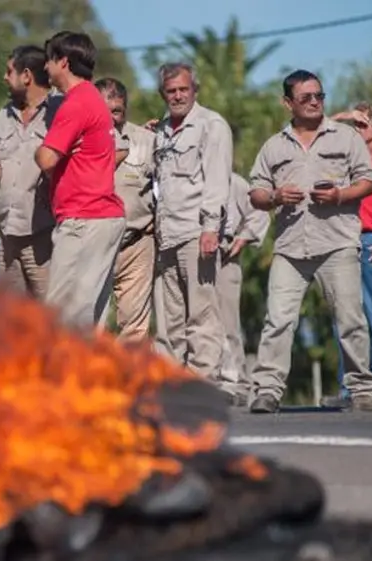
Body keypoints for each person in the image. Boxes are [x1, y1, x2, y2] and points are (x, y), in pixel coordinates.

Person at [247, 69, 372, 413]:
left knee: (350, 318)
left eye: (319, 96)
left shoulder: (346, 137)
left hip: (337, 243)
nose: (314, 102)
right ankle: (267, 391)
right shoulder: (274, 146)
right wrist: (275, 196)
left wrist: (339, 195)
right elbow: (256, 193)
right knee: (278, 321)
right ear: (287, 103)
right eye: (305, 97)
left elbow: (368, 180)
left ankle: (363, 389)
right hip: (291, 248)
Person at [34, 31, 126, 330]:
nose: (45, 68)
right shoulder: (92, 100)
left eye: (48, 60)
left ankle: (58, 377)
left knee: (62, 316)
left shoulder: (76, 104)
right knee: (88, 319)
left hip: (84, 219)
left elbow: (46, 159)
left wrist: (42, 150)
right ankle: (86, 376)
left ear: (63, 62)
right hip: (99, 218)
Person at [152, 61, 233, 384]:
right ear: (163, 94)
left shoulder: (211, 125)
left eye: (183, 89)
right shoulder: (160, 130)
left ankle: (203, 377)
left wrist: (210, 227)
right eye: (171, 91)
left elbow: (216, 180)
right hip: (166, 234)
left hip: (195, 232)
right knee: (169, 316)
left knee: (201, 312)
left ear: (195, 90)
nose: (178, 95)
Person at [324, 103, 372, 404]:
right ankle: (351, 386)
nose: (356, 131)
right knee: (345, 317)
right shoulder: (345, 158)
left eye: (362, 125)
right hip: (342, 240)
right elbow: (318, 129)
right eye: (354, 126)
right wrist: (343, 117)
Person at [0, 45, 58, 298]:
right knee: (13, 318)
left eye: (9, 71)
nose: (4, 77)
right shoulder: (5, 114)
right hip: (6, 235)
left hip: (44, 235)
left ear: (26, 75)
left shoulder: (60, 110)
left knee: (51, 317)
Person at [95, 76, 156, 342]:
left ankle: (130, 383)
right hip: (93, 245)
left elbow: (166, 185)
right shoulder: (78, 140)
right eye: (103, 111)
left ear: (126, 110)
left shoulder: (146, 140)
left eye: (117, 111)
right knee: (90, 326)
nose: (111, 118)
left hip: (137, 245)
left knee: (135, 329)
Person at [217, 172, 270, 405]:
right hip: (187, 253)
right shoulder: (183, 175)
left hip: (224, 254)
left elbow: (259, 213)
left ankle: (237, 382)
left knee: (227, 322)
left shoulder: (233, 181)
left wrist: (243, 238)